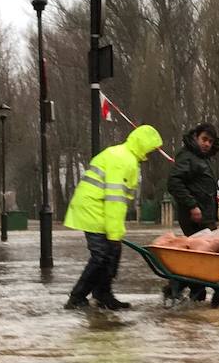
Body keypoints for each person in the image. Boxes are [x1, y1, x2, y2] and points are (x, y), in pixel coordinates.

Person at [63, 124, 163, 311]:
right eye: (151, 148)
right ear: (143, 144)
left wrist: (115, 236)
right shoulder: (123, 160)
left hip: (97, 208)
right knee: (101, 256)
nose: (151, 153)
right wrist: (115, 233)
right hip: (93, 209)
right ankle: (77, 297)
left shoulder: (125, 156)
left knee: (111, 254)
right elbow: (115, 200)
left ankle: (103, 294)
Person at [167, 122, 219, 301]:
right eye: (204, 139)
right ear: (196, 137)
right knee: (201, 257)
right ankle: (195, 293)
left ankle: (178, 286)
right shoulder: (187, 156)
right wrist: (192, 206)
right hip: (193, 216)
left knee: (205, 256)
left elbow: (206, 188)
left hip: (205, 216)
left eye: (210, 141)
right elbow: (174, 182)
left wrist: (214, 215)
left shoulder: (204, 159)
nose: (207, 144)